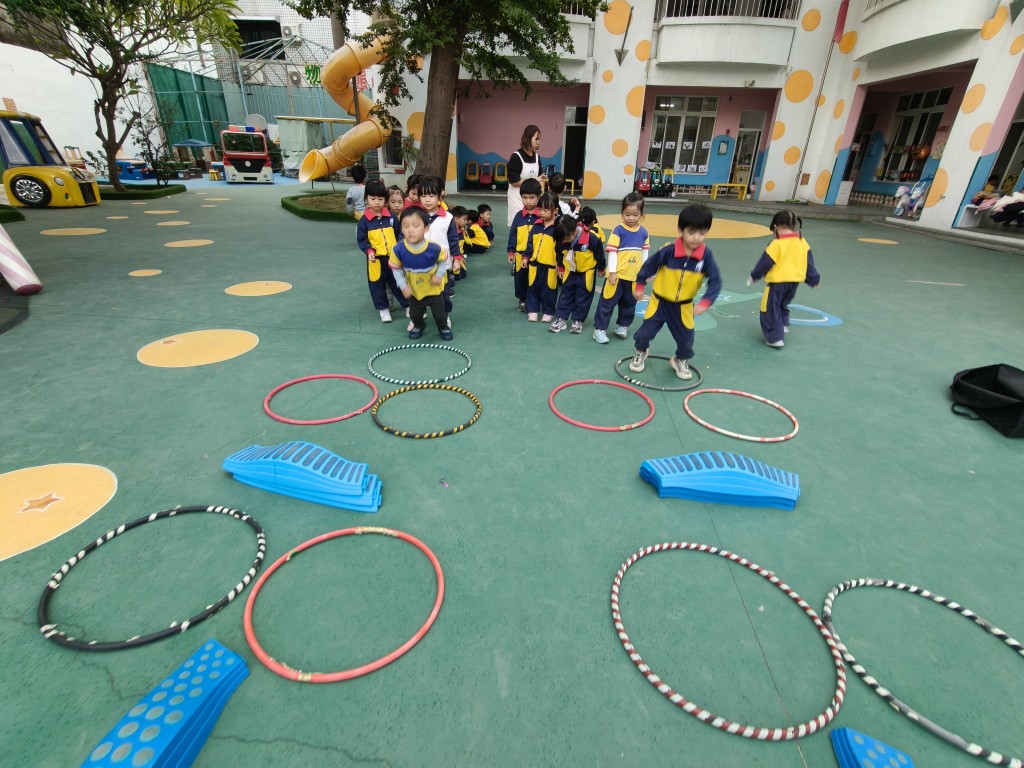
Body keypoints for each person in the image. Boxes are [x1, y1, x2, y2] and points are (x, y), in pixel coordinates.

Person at [629, 204, 721, 380]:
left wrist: (705, 302)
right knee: (644, 333)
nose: (696, 237)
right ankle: (641, 350)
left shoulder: (706, 257)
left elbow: (715, 281)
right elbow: (649, 266)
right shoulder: (669, 251)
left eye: (702, 233)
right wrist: (640, 285)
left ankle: (680, 359)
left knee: (687, 340)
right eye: (691, 232)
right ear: (681, 230)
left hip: (683, 307)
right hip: (659, 303)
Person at [746, 210, 820, 349]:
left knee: (769, 309)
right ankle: (784, 324)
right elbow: (809, 262)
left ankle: (775, 338)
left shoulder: (776, 244)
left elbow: (765, 263)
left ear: (776, 227)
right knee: (782, 304)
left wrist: (754, 276)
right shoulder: (802, 242)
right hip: (794, 283)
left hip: (777, 283)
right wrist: (813, 279)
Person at [593, 192, 650, 344]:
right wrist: (612, 272)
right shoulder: (618, 230)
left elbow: (644, 254)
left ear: (641, 213)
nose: (631, 218)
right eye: (627, 214)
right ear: (622, 212)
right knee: (607, 303)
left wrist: (643, 274)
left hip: (633, 278)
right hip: (616, 277)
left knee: (629, 304)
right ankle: (599, 330)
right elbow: (612, 252)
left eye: (635, 215)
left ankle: (622, 326)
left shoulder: (643, 233)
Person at [389, 207, 452, 340]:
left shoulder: (434, 248)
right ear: (401, 229)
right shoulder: (398, 250)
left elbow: (442, 261)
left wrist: (439, 275)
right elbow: (396, 269)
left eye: (416, 226)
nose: (410, 230)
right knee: (415, 315)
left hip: (434, 289)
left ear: (426, 228)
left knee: (440, 314)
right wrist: (403, 286)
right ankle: (419, 325)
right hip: (415, 291)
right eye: (406, 226)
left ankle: (443, 326)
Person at [356, 179, 407, 323]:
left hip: (393, 258)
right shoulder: (364, 221)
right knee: (377, 285)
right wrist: (369, 251)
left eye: (380, 199)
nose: (377, 202)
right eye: (373, 199)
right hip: (376, 260)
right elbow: (362, 240)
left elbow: (398, 233)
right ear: (366, 199)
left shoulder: (391, 217)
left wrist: (399, 248)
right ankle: (384, 309)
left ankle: (408, 306)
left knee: (398, 282)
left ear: (385, 199)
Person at [548, 213, 605, 334]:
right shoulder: (561, 240)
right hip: (569, 271)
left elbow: (600, 253)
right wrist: (561, 267)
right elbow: (559, 253)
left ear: (574, 231)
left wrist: (601, 268)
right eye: (561, 239)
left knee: (583, 297)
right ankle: (561, 318)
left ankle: (577, 320)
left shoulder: (591, 238)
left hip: (586, 272)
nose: (564, 241)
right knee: (565, 295)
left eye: (566, 238)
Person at [522, 191, 565, 322]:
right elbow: (530, 243)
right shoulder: (536, 226)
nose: (541, 213)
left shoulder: (558, 229)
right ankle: (533, 310)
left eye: (546, 210)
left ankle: (548, 311)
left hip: (550, 266)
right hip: (534, 264)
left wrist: (560, 265)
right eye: (540, 209)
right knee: (532, 288)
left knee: (549, 290)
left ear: (555, 210)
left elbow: (561, 250)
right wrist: (526, 257)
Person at [419, 176, 459, 312]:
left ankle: (444, 315)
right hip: (419, 262)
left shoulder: (448, 218)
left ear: (439, 196)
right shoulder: (415, 216)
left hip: (442, 263)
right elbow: (406, 237)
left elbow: (453, 240)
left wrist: (457, 259)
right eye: (423, 196)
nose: (427, 200)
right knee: (419, 291)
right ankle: (419, 315)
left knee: (443, 292)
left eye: (431, 196)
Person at [507, 177, 542, 312]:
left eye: (531, 198)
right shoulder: (518, 216)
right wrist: (511, 251)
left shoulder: (542, 216)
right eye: (524, 197)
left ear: (538, 197)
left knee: (535, 279)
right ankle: (522, 300)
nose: (528, 201)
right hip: (520, 255)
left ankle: (534, 300)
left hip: (536, 256)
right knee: (520, 279)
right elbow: (513, 234)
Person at [507, 125, 546, 226]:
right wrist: (535, 181)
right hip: (517, 198)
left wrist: (541, 179)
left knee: (533, 226)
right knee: (519, 226)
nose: (539, 142)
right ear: (528, 138)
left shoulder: (537, 157)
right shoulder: (516, 156)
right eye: (536, 139)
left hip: (533, 199)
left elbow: (539, 176)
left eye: (540, 139)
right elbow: (514, 181)